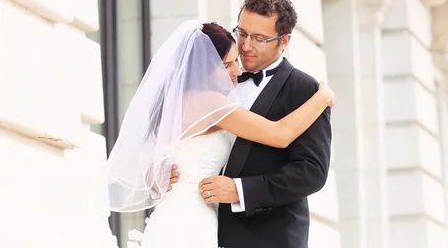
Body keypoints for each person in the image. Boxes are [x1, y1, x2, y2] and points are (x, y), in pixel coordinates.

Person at [105, 18, 334, 248]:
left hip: (170, 216)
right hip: (192, 221)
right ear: (201, 68)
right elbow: (280, 134)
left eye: (235, 60)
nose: (237, 68)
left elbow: (156, 158)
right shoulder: (212, 103)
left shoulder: (172, 103)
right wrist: (322, 98)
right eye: (226, 65)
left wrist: (154, 175)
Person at [168, 0, 333, 248]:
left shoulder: (305, 90)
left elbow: (311, 172)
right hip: (202, 228)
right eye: (242, 33)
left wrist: (240, 191)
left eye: (258, 38)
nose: (245, 45)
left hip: (269, 237)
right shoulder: (213, 81)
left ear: (284, 40)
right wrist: (162, 170)